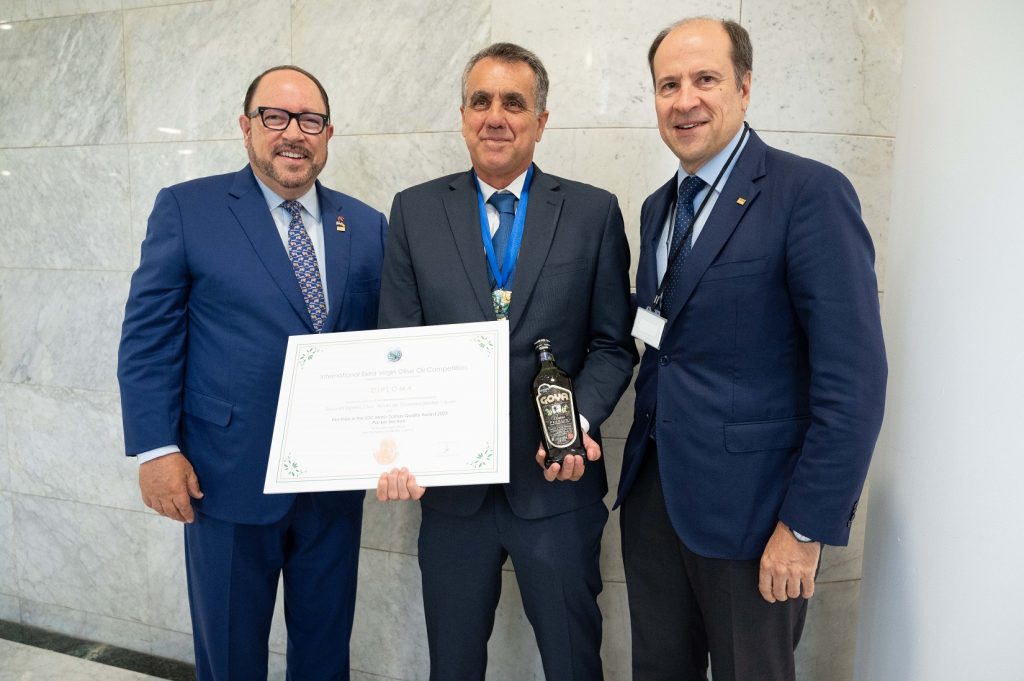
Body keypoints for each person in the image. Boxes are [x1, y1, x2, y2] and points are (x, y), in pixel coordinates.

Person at [614, 17, 887, 681]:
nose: (685, 100)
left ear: (744, 87)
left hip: (757, 517)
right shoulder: (658, 208)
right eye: (667, 84)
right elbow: (664, 343)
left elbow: (853, 379)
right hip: (656, 503)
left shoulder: (808, 194)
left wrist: (804, 527)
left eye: (705, 79)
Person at [376, 42, 636, 680]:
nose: (496, 116)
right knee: (453, 665)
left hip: (556, 487)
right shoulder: (414, 210)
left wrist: (578, 420)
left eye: (513, 103)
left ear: (540, 120)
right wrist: (394, 448)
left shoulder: (593, 211)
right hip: (451, 497)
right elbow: (397, 347)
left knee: (574, 664)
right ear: (463, 116)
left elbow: (611, 343)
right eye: (481, 101)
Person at [117, 65, 387, 680]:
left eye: (310, 121)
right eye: (276, 117)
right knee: (233, 653)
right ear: (246, 127)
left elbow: (386, 344)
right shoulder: (189, 209)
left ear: (328, 133)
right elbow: (148, 337)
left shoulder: (367, 225)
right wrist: (156, 449)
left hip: (333, 482)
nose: (293, 133)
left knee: (325, 648)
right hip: (225, 476)